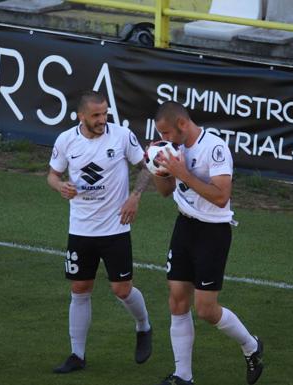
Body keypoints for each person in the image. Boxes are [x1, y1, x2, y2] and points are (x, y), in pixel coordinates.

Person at [151, 101, 263, 385]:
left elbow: (221, 196)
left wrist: (182, 174)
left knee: (205, 309)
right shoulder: (174, 150)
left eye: (166, 133)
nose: (163, 139)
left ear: (182, 124)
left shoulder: (214, 148)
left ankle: (251, 346)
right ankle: (182, 376)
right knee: (177, 299)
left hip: (213, 232)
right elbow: (165, 192)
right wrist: (157, 169)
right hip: (184, 226)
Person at [47, 91, 154, 373]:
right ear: (81, 116)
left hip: (115, 227)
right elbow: (53, 175)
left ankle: (143, 326)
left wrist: (135, 196)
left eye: (105, 114)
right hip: (80, 229)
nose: (102, 120)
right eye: (95, 115)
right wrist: (61, 187)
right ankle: (77, 355)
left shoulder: (121, 136)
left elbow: (147, 168)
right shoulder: (66, 140)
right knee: (80, 288)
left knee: (121, 289)